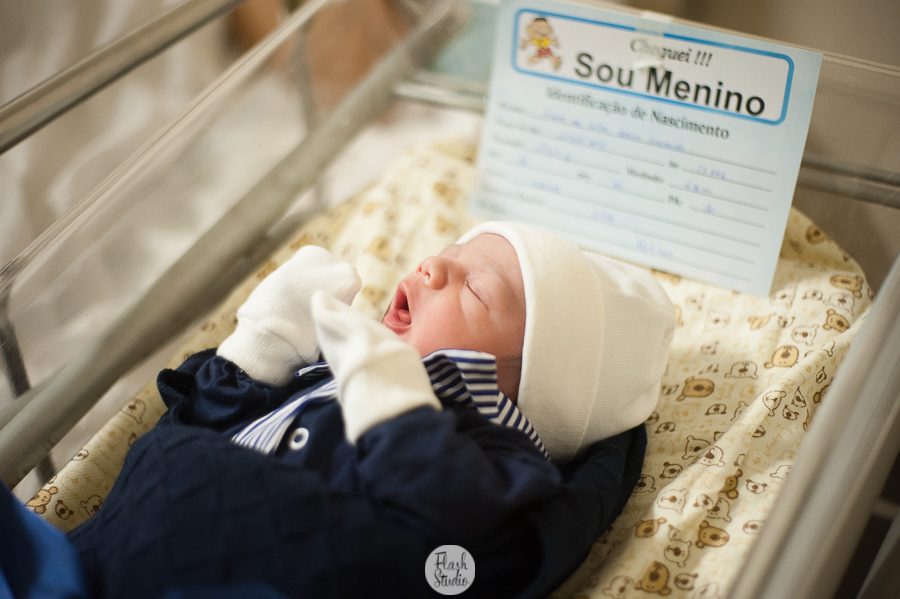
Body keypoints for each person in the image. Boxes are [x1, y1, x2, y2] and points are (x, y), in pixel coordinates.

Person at [1, 221, 675, 599]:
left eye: (479, 286)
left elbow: (463, 548)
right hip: (91, 557)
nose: (432, 267)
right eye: (448, 254)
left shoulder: (494, 443)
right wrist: (256, 353)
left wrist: (400, 411)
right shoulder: (327, 364)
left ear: (527, 384)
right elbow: (192, 423)